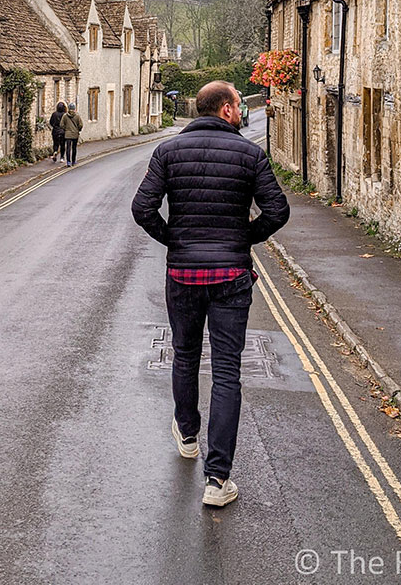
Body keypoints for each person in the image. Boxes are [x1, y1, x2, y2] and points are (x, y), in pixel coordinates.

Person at [131, 80, 289, 507]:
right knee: (225, 372)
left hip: (183, 274)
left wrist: (174, 241)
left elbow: (142, 209)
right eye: (239, 105)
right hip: (231, 276)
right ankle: (217, 481)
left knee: (184, 355)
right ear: (225, 111)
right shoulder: (251, 154)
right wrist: (243, 239)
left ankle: (187, 434)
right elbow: (278, 211)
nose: (242, 111)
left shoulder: (166, 152)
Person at [60, 102, 83, 166]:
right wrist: (78, 129)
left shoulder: (65, 116)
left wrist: (66, 129)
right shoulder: (77, 116)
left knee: (68, 148)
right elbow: (81, 125)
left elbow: (61, 125)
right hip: (75, 134)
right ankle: (73, 161)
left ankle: (68, 161)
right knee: (74, 148)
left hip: (67, 134)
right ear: (74, 108)